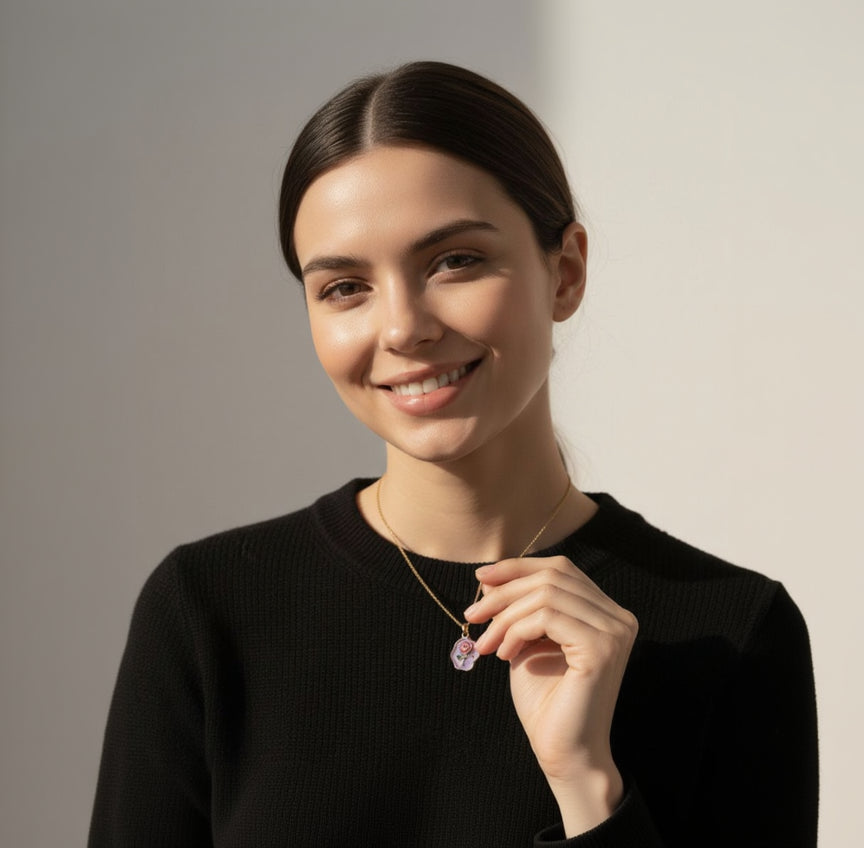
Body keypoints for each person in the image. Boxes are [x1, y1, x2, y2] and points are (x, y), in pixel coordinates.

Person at [88, 61, 818, 847]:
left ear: (565, 271)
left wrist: (587, 785)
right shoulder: (207, 612)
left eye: (454, 261)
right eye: (344, 287)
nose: (402, 328)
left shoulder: (734, 632)